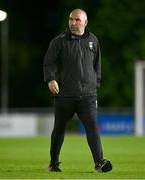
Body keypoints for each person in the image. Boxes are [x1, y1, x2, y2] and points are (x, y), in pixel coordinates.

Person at [43, 8, 112, 173]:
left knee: (92, 128)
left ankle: (99, 162)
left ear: (85, 22)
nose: (73, 23)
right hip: (64, 95)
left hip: (88, 95)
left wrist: (96, 84)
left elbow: (97, 65)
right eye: (71, 19)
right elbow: (48, 63)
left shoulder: (93, 40)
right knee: (59, 129)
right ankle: (54, 163)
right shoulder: (58, 41)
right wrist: (51, 79)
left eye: (77, 20)